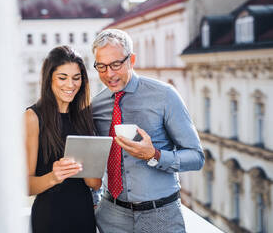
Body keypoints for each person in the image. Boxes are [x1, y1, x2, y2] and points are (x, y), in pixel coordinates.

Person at [91, 29, 205, 233]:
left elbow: (197, 157)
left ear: (131, 59)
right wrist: (94, 201)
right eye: (101, 66)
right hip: (111, 216)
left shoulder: (165, 96)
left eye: (116, 64)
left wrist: (155, 155)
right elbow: (91, 160)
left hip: (161, 215)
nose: (109, 74)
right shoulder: (96, 106)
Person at [25, 45, 101, 233]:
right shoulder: (32, 117)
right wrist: (54, 177)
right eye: (62, 78)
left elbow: (94, 183)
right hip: (49, 218)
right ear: (49, 78)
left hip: (83, 215)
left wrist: (93, 163)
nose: (70, 85)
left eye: (76, 78)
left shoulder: (85, 116)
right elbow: (26, 185)